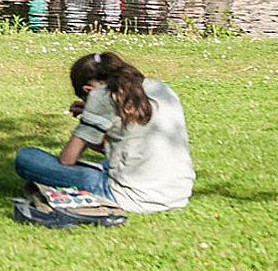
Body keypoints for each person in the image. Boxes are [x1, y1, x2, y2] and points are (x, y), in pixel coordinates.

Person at [14, 52, 194, 214]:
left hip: (131, 196)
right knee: (107, 161)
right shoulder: (160, 88)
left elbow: (67, 159)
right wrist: (92, 115)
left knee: (27, 158)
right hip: (178, 192)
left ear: (88, 90)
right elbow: (123, 139)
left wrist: (88, 119)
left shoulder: (100, 97)